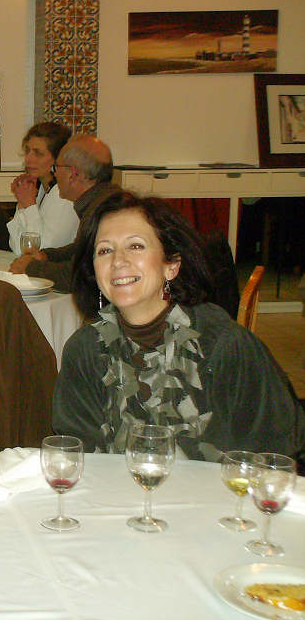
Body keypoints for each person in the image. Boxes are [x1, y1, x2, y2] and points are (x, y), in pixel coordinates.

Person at [53, 190, 305, 461]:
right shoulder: (85, 352)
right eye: (105, 250)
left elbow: (276, 453)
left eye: (135, 246)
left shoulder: (224, 346)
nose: (118, 261)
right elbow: (79, 457)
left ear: (171, 265)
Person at [9, 134, 119, 291]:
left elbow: (79, 276)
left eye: (57, 168)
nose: (55, 174)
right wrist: (46, 255)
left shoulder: (104, 212)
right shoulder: (101, 201)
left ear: (73, 174)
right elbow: (79, 249)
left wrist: (31, 267)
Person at [6, 121, 77, 254]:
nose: (28, 159)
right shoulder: (44, 189)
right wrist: (22, 203)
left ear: (58, 158)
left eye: (38, 153)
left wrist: (28, 204)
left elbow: (42, 251)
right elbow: (16, 247)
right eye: (27, 151)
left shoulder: (65, 196)